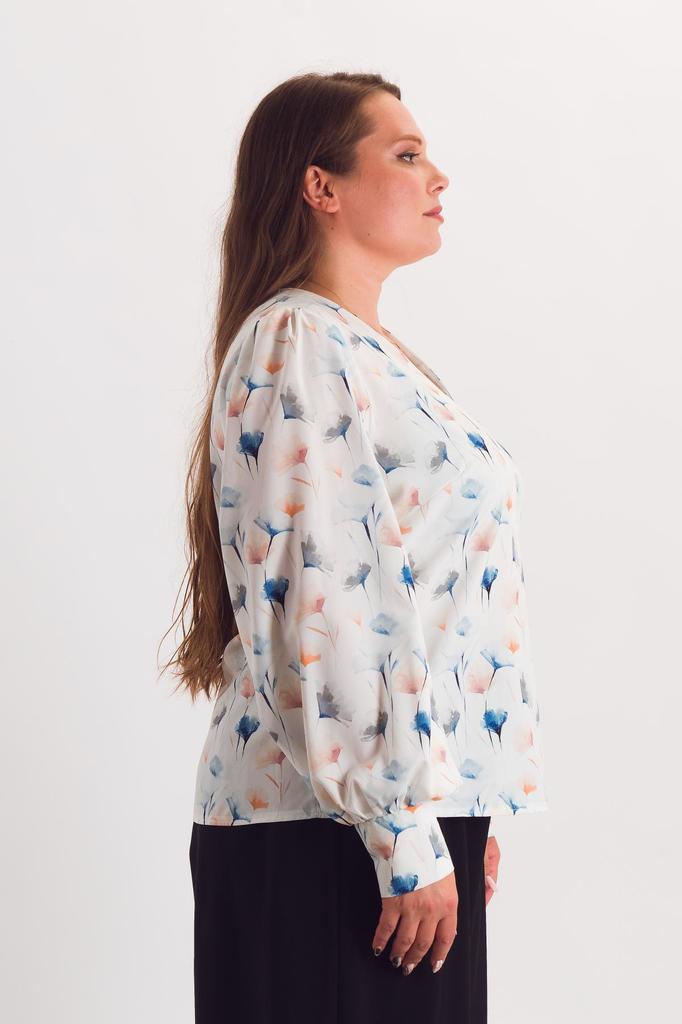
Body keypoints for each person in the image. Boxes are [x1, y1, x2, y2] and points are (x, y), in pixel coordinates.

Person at [159, 70, 549, 1024]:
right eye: (406, 155)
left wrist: (452, 799)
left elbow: (421, 590)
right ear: (320, 186)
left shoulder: (366, 352)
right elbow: (321, 597)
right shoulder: (297, 339)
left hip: (378, 825)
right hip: (329, 836)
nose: (438, 177)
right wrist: (402, 825)